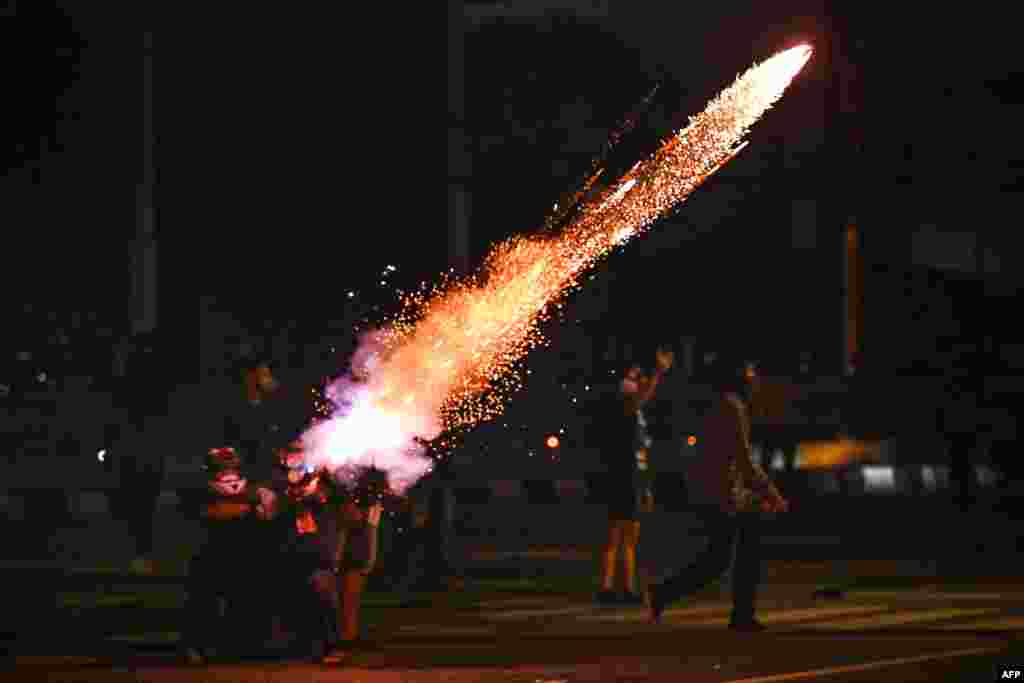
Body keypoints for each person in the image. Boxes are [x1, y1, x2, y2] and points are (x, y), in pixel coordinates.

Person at [647, 358, 788, 631]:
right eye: (749, 371)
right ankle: (666, 593)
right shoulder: (731, 407)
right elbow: (743, 459)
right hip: (724, 492)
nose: (754, 376)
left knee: (732, 554)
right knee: (722, 558)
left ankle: (738, 613)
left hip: (720, 489)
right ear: (738, 377)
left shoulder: (716, 404)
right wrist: (772, 493)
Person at [595, 347, 674, 606]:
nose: (639, 382)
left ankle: (624, 588)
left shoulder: (634, 413)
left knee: (629, 538)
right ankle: (607, 588)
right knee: (615, 536)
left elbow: (642, 456)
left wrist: (646, 488)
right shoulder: (624, 409)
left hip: (633, 479)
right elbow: (643, 396)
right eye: (634, 378)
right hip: (621, 478)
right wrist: (658, 373)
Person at [180, 447, 270, 664]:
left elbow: (268, 513)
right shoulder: (199, 488)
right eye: (222, 463)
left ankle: (237, 646)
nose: (227, 467)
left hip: (244, 552)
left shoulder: (254, 489)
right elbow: (194, 515)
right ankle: (198, 646)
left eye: (230, 462)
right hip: (210, 552)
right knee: (204, 600)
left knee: (241, 600)